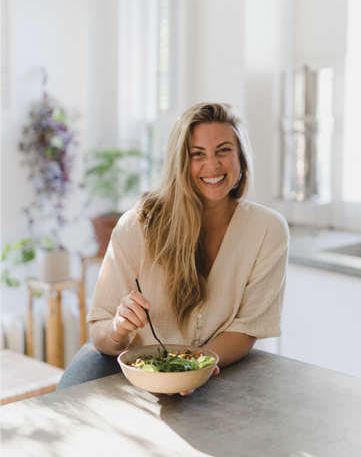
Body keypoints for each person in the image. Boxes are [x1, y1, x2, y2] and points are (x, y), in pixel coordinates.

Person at [57, 102, 289, 392]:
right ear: (181, 162)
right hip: (124, 367)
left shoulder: (268, 230)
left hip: (213, 369)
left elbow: (245, 329)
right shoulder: (138, 225)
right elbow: (100, 333)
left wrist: (194, 366)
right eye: (197, 154)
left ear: (241, 157)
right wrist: (118, 328)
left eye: (224, 150)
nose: (213, 165)